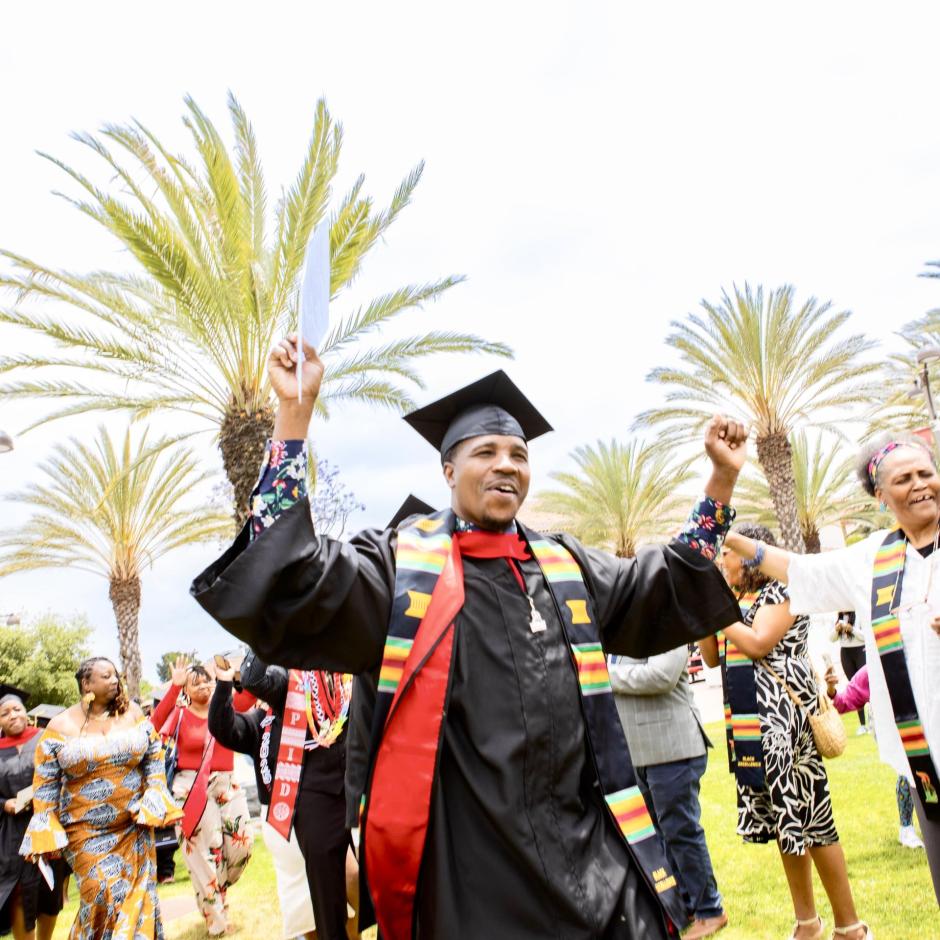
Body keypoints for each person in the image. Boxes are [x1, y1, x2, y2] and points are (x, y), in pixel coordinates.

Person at [192, 339, 750, 940]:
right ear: (448, 470)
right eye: (486, 451)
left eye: (518, 453)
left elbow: (659, 586)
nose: (506, 464)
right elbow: (294, 576)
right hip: (471, 879)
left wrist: (719, 480)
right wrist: (294, 415)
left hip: (588, 865)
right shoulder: (401, 571)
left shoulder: (563, 567)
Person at [724, 431, 940, 908]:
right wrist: (731, 537)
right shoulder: (874, 558)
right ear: (881, 496)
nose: (921, 484)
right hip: (925, 762)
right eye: (903, 478)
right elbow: (803, 572)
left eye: (927, 472)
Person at [700, 523, 870, 940]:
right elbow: (708, 658)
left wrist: (717, 609)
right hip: (750, 725)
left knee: (813, 820)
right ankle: (807, 924)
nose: (723, 560)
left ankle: (850, 927)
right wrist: (706, 607)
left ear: (750, 555)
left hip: (785, 722)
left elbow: (758, 643)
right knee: (784, 823)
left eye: (728, 553)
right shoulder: (733, 599)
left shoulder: (782, 591)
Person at [19, 657, 180, 938]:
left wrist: (154, 792)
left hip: (133, 826)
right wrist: (45, 827)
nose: (114, 680)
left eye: (115, 675)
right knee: (101, 893)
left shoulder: (130, 713)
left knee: (137, 896)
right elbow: (45, 781)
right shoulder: (61, 725)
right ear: (86, 683)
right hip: (84, 831)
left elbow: (154, 751)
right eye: (106, 676)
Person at [209, 651, 357, 940]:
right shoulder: (260, 723)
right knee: (309, 915)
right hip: (284, 827)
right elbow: (223, 727)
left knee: (346, 894)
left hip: (326, 815)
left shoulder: (335, 701)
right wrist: (225, 683)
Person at [608, 648, 727, 938]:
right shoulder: (622, 628)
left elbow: (661, 676)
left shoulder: (666, 619)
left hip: (673, 747)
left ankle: (710, 911)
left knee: (680, 831)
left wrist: (604, 676)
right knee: (662, 835)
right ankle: (684, 906)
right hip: (642, 752)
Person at [151, 658, 253, 937]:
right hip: (190, 787)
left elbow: (250, 696)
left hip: (226, 783)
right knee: (203, 856)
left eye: (207, 680)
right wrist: (174, 687)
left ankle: (218, 895)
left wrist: (234, 676)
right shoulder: (180, 714)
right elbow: (154, 724)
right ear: (187, 689)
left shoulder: (226, 708)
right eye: (196, 683)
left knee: (241, 846)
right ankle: (217, 922)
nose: (204, 686)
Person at [823, 663, 924, 849]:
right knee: (907, 767)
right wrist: (831, 690)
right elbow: (843, 702)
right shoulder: (871, 672)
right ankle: (906, 829)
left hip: (918, 718)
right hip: (889, 725)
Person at [0, 689, 62, 940]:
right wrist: (5, 804)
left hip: (47, 826)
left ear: (26, 712)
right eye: (4, 713)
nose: (12, 715)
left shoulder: (46, 739)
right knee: (17, 891)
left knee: (49, 891)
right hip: (11, 833)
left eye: (17, 709)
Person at [830, 612, 867, 733]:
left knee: (866, 685)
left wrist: (852, 629)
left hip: (860, 651)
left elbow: (865, 636)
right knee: (853, 686)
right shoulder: (838, 618)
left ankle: (874, 718)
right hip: (846, 653)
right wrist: (836, 630)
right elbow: (831, 638)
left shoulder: (858, 615)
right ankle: (862, 724)